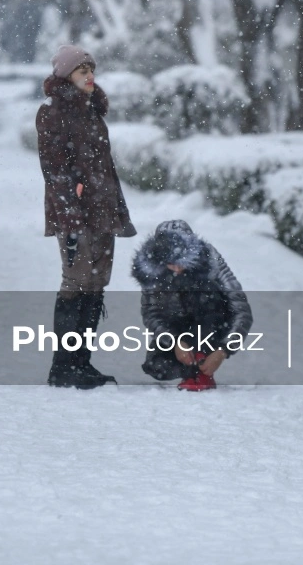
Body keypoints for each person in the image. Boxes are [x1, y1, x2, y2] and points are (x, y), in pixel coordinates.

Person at [36, 44, 136, 389]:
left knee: (96, 284)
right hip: (75, 214)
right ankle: (63, 366)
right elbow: (55, 170)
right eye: (82, 71)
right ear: (66, 75)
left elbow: (103, 169)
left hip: (103, 209)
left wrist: (115, 209)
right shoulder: (53, 112)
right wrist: (70, 216)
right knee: (75, 282)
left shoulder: (92, 111)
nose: (90, 76)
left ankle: (82, 362)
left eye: (91, 70)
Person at [131, 220, 252, 391]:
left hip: (212, 323)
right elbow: (151, 314)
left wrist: (223, 351)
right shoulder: (152, 271)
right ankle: (191, 366)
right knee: (158, 367)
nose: (177, 269)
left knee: (205, 294)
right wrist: (175, 342)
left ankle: (202, 367)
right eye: (171, 263)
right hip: (178, 326)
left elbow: (242, 311)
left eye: (182, 262)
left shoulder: (211, 260)